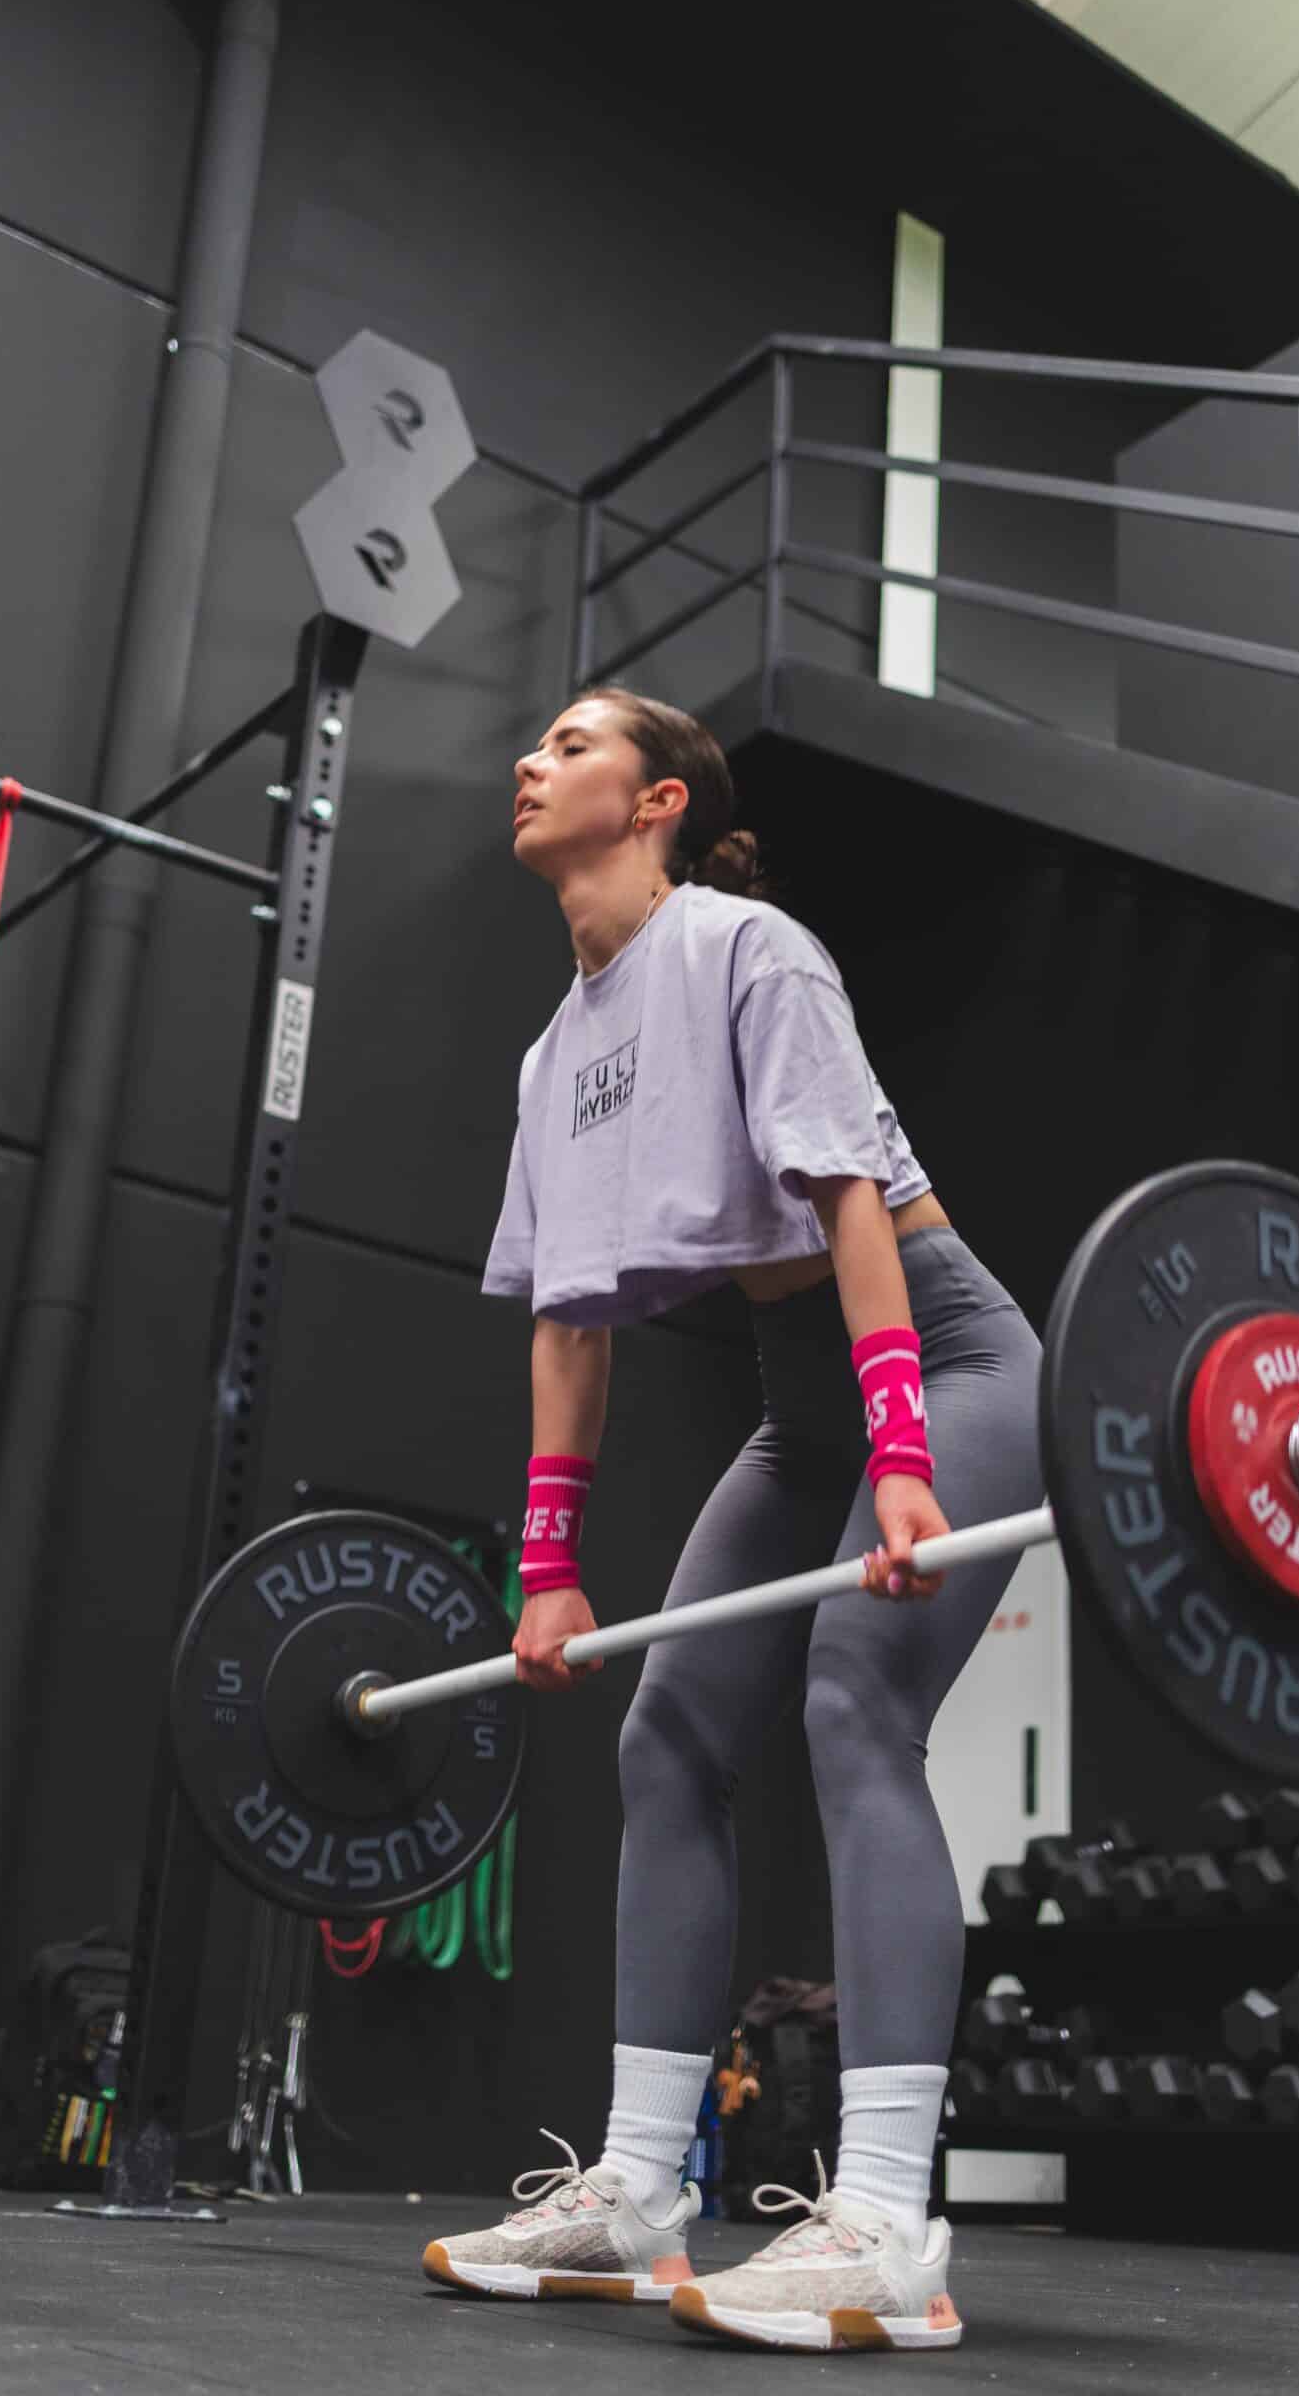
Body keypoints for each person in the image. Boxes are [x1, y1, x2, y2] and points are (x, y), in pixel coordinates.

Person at [421, 687, 1043, 2352]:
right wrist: (548, 1569)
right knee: (670, 1735)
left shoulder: (751, 950)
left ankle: (889, 2221)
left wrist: (902, 1451)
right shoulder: (554, 1055)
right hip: (806, 1404)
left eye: (574, 743)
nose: (532, 760)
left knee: (854, 1701)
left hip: (946, 1361)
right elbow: (569, 1321)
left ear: (661, 801)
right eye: (534, 742)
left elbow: (850, 1195)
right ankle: (638, 2194)